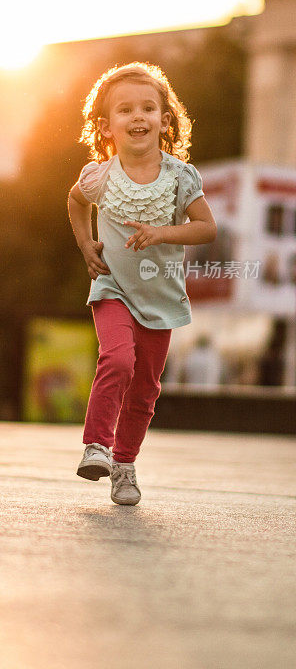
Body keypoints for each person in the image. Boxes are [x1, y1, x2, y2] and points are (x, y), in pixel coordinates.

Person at [68, 62, 217, 505]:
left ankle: (125, 465)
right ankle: (96, 446)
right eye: (125, 110)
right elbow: (75, 202)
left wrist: (162, 233)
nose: (138, 117)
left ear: (165, 121)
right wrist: (85, 243)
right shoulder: (98, 175)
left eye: (148, 108)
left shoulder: (180, 176)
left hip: (161, 296)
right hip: (113, 289)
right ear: (106, 125)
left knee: (146, 387)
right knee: (118, 361)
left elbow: (206, 227)